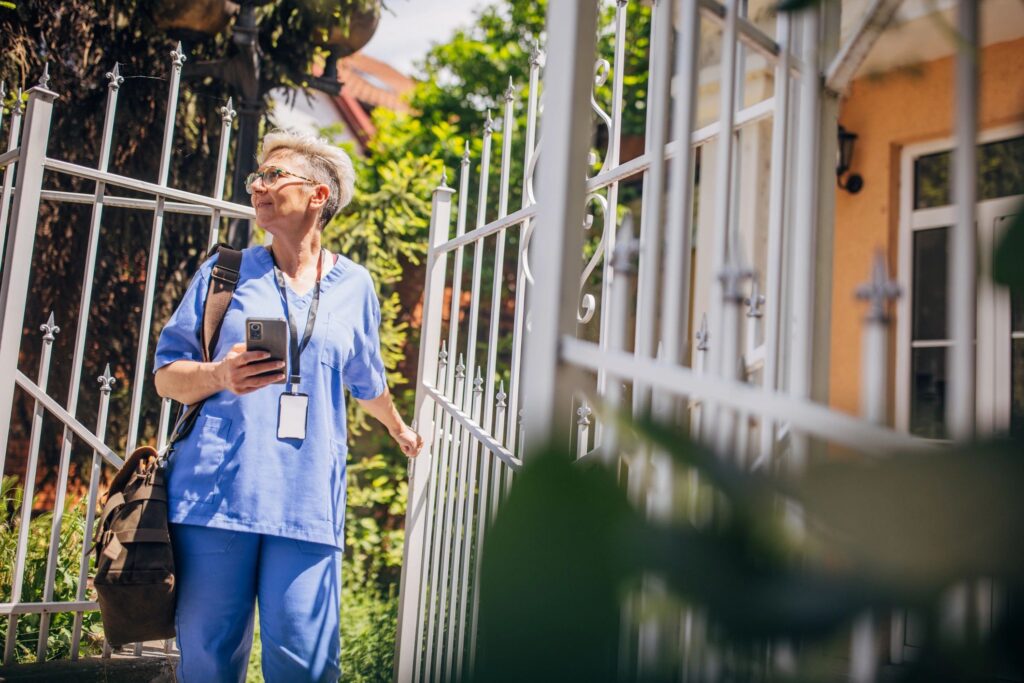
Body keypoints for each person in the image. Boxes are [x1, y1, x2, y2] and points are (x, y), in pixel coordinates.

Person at [153, 129, 423, 682]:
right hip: (212, 498)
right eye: (257, 178)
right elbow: (165, 377)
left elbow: (365, 378)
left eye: (274, 176)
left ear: (319, 195)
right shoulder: (224, 272)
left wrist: (399, 428)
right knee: (206, 659)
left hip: (306, 500)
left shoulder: (355, 287)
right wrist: (219, 373)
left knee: (307, 664)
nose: (258, 187)